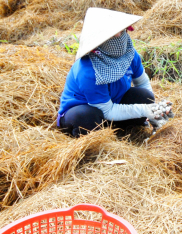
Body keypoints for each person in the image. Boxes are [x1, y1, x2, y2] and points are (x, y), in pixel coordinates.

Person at [57, 8, 172, 137]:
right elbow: (107, 110)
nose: (119, 37)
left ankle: (121, 130)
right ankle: (90, 137)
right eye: (112, 35)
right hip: (86, 113)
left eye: (122, 31)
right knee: (87, 116)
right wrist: (144, 110)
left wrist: (154, 109)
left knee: (145, 96)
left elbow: (143, 82)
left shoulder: (130, 54)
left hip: (114, 106)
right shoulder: (89, 69)